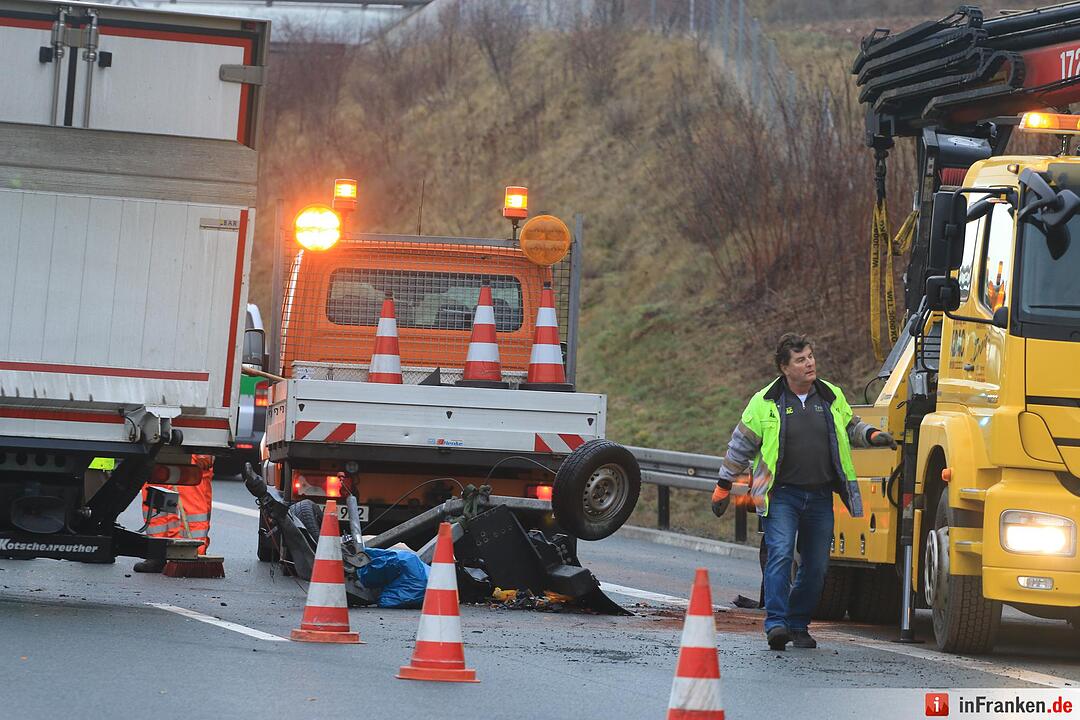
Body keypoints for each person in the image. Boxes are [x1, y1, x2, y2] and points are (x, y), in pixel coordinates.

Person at [710, 333, 895, 650]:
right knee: (780, 554)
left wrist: (874, 435)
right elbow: (739, 446)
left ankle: (798, 624)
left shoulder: (830, 396)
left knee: (818, 565)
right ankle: (777, 624)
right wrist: (723, 485)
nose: (809, 363)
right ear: (785, 367)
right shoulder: (764, 403)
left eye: (810, 356)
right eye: (800, 359)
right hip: (781, 495)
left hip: (821, 496)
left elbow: (851, 427)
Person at [134, 454, 214, 573]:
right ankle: (157, 552)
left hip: (188, 448)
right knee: (156, 493)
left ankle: (193, 553)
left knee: (191, 500)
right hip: (158, 446)